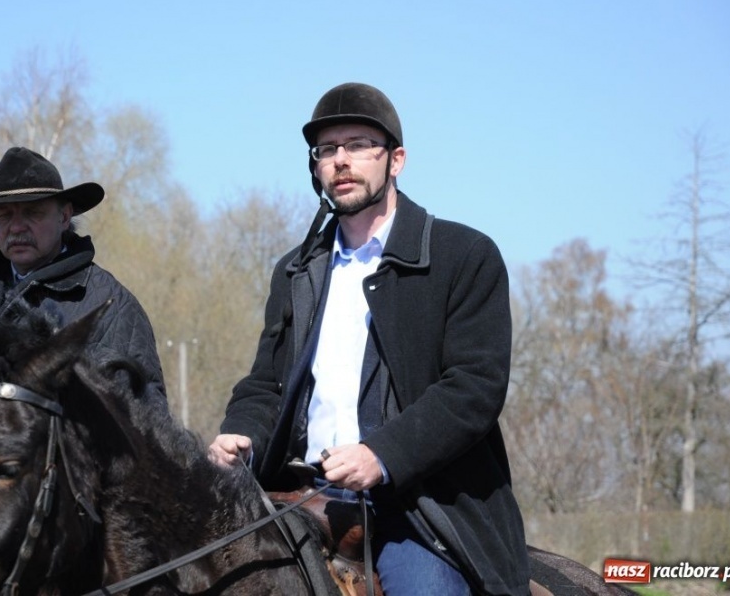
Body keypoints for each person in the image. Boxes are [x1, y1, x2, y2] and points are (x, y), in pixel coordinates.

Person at [208, 83, 530, 595]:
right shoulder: (296, 270)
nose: (341, 160)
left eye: (358, 145)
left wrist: (380, 455)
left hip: (418, 509)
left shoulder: (463, 255)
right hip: (295, 492)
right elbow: (266, 383)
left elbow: (475, 387)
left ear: (396, 160)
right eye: (327, 150)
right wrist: (242, 436)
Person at [0, 146, 167, 445]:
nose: (16, 227)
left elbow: (148, 415)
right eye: (4, 216)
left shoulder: (110, 306)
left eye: (32, 213)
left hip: (70, 484)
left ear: (64, 216)